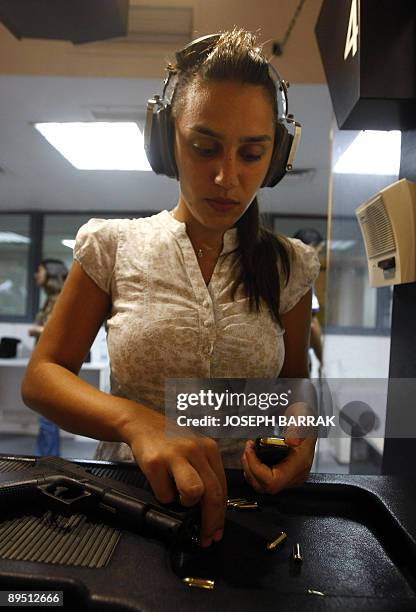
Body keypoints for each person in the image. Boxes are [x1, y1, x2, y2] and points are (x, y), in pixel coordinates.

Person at [22, 29, 320, 548]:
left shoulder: (289, 264)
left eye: (252, 154)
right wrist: (136, 422)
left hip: (252, 510)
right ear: (166, 141)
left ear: (276, 158)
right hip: (128, 504)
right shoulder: (112, 246)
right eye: (204, 147)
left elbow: (294, 385)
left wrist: (303, 432)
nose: (226, 177)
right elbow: (43, 377)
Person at [28, 258, 68, 456]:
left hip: (52, 365)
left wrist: (37, 330)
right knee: (46, 419)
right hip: (46, 364)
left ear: (50, 274)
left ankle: (49, 463)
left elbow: (60, 331)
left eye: (40, 271)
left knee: (48, 419)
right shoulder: (50, 299)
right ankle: (45, 460)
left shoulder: (60, 299)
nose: (37, 275)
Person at [293, 228, 324, 373]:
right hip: (293, 360)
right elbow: (312, 325)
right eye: (318, 251)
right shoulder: (302, 278)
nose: (319, 257)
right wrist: (323, 362)